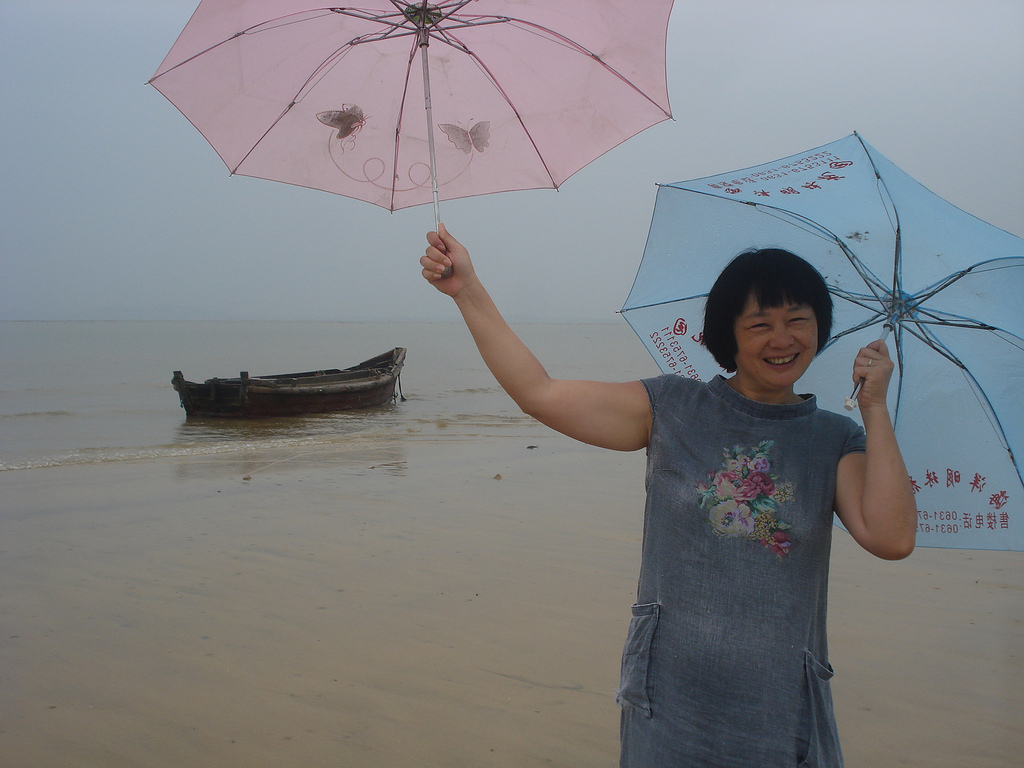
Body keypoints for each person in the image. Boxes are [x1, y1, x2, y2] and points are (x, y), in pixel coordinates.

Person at [421, 224, 917, 768]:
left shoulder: (833, 438)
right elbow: (541, 393)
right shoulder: (674, 409)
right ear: (728, 335)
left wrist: (874, 409)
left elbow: (891, 538)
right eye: (760, 324)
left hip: (780, 710)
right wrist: (468, 291)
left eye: (798, 320)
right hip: (669, 700)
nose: (783, 339)